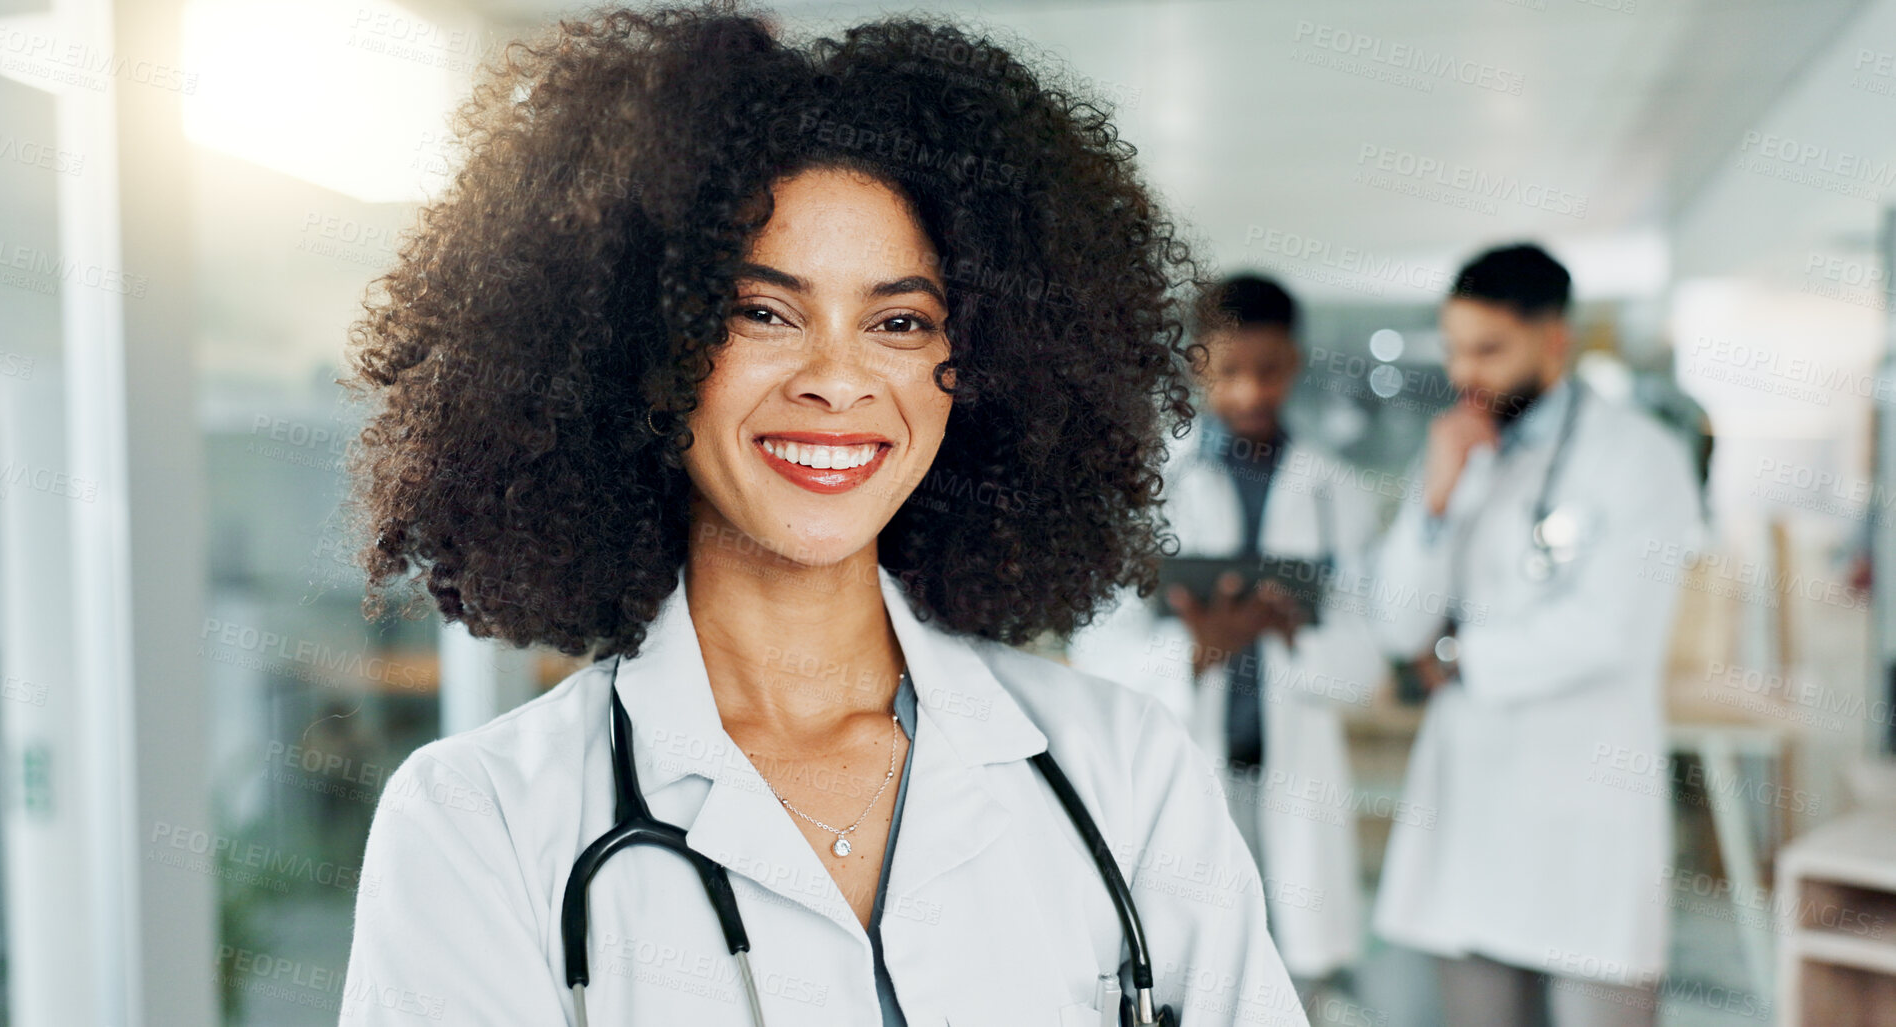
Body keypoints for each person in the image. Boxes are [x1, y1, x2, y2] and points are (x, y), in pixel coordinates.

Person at [334, 6, 1306, 1025]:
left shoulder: (1125, 771)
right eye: (763, 312)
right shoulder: (477, 818)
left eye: (899, 321)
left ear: (980, 370)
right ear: (643, 346)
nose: (838, 382)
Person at [1368, 243, 1704, 1027]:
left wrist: (1454, 658)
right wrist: (1433, 506)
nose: (1464, 374)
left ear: (1555, 340)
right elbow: (1395, 619)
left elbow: (1610, 629)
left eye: (1489, 350)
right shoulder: (1459, 450)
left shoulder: (1640, 457)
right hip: (1470, 815)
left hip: (1586, 812)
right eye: (1454, 349)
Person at [1066, 275, 1386, 1005]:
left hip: (1293, 773)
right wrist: (1195, 648)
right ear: (1195, 362)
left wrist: (1287, 632)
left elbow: (1364, 659)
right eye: (1228, 371)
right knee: (1189, 978)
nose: (1248, 391)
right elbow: (1095, 651)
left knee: (1295, 985)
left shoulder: (1336, 492)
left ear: (1294, 363)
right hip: (1186, 770)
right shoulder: (1146, 487)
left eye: (1268, 370)